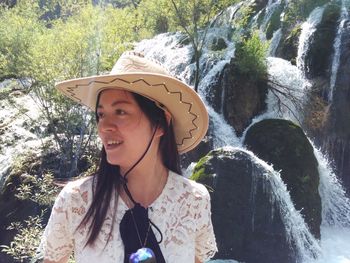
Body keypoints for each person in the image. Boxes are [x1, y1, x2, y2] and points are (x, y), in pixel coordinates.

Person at [37, 51, 217, 263]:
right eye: (101, 114)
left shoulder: (194, 200)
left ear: (160, 123)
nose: (104, 126)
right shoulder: (77, 201)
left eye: (120, 111)